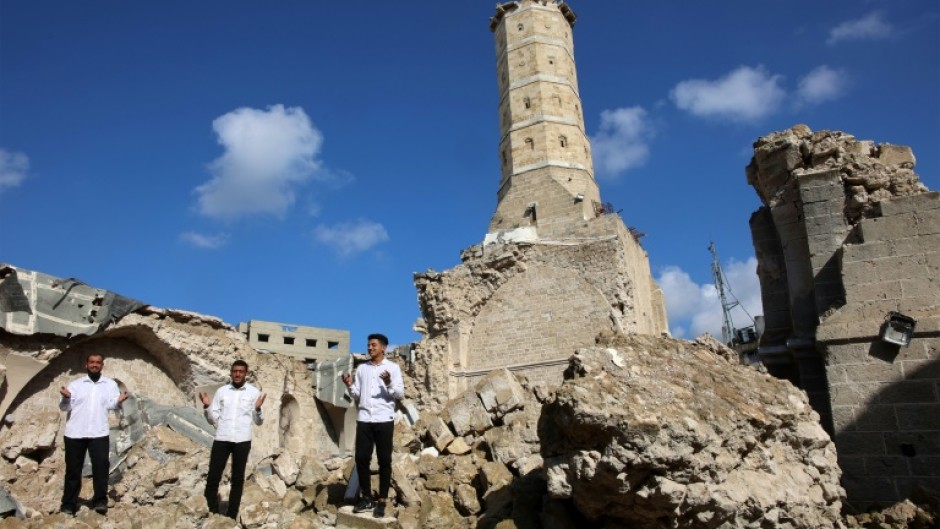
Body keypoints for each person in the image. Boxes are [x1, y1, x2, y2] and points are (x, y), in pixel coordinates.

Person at [342, 333, 405, 518]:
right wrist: (349, 385)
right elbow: (356, 394)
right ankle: (367, 497)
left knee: (385, 460)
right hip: (364, 419)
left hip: (384, 419)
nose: (370, 348)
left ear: (383, 348)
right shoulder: (362, 369)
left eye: (374, 345)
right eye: (369, 345)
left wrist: (388, 383)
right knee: (361, 458)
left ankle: (382, 501)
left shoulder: (393, 368)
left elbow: (399, 394)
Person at [59, 352, 129, 515]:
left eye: (98, 362)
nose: (95, 365)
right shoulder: (76, 384)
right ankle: (69, 503)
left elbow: (112, 404)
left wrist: (119, 401)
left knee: (101, 468)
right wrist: (67, 398)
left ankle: (100, 501)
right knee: (73, 470)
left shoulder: (110, 384)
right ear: (86, 365)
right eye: (92, 362)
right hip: (75, 433)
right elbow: (64, 407)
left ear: (102, 365)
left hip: (98, 432)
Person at [200, 360, 266, 519]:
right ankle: (211, 511)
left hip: (242, 440)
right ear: (231, 372)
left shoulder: (253, 392)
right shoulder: (222, 392)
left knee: (237, 478)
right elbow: (212, 419)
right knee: (213, 476)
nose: (237, 374)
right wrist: (207, 407)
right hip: (222, 438)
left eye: (241, 371)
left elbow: (259, 421)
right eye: (235, 371)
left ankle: (231, 515)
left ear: (246, 373)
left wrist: (257, 409)